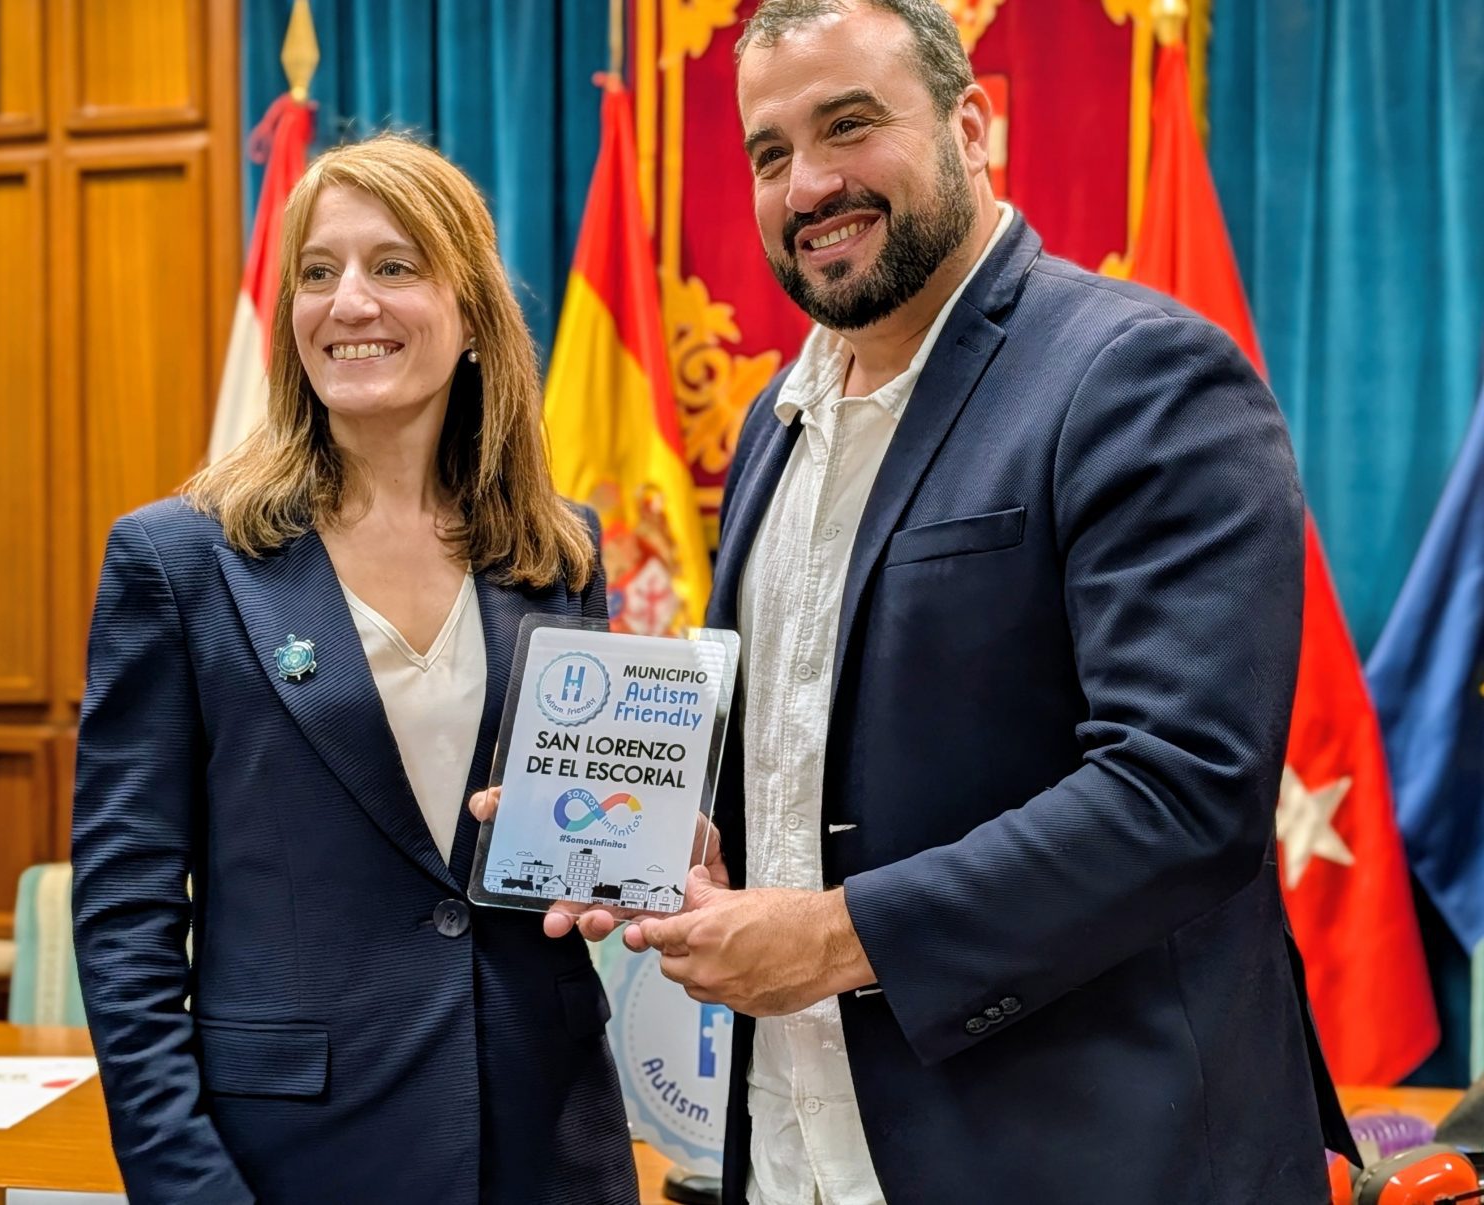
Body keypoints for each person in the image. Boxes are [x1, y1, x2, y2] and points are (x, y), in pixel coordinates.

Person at [613, 1, 1359, 1201]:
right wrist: (659, 835)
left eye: (847, 126)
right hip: (800, 1153)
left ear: (972, 125)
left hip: (1088, 1161)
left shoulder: (1137, 374)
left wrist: (835, 936)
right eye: (768, 152)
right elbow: (818, 760)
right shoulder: (773, 425)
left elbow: (1183, 790)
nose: (807, 184)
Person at [71, 134, 639, 1205]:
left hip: (548, 1137)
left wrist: (614, 854)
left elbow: (574, 836)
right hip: (291, 1154)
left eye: (394, 266)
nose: (350, 303)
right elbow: (124, 917)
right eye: (319, 272)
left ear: (471, 315)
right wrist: (182, 1182)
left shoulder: (560, 549)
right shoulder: (180, 560)